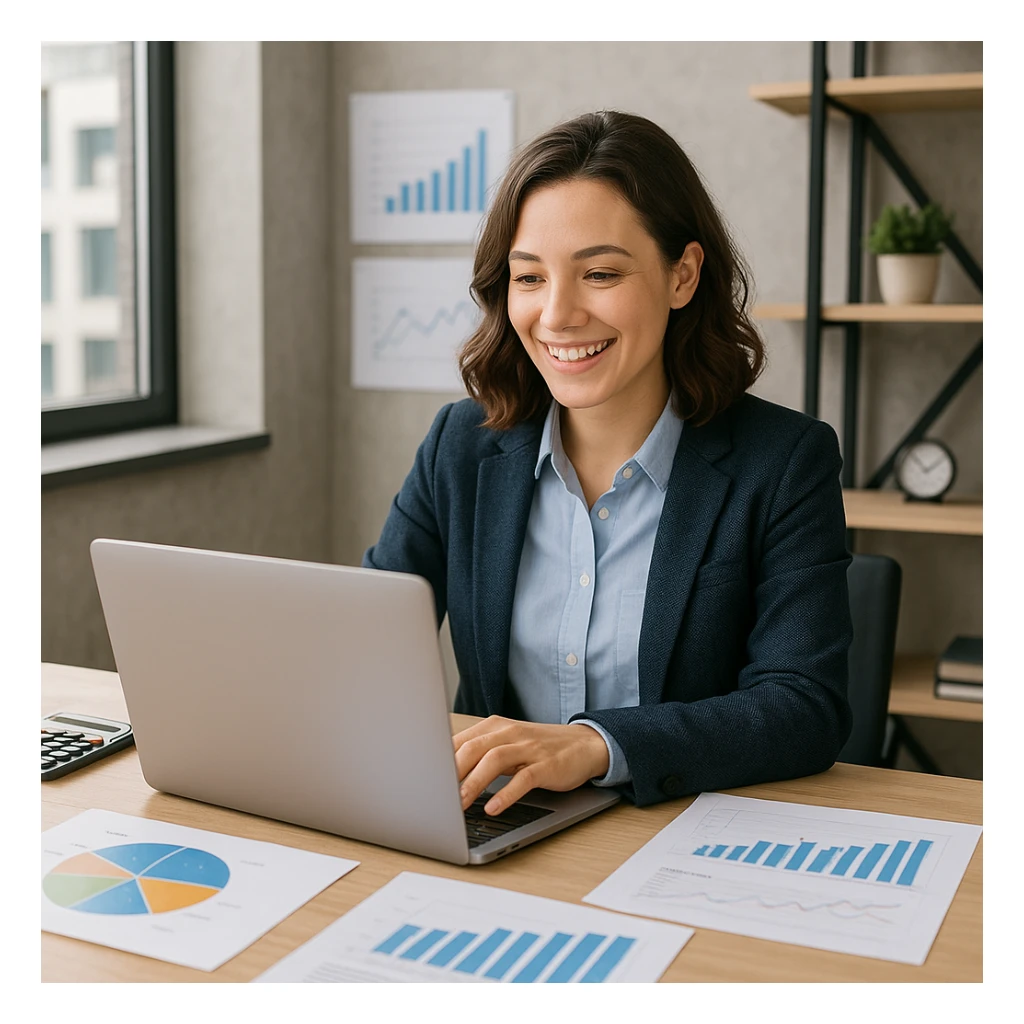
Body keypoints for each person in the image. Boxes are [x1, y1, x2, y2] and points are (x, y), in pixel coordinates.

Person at [364, 110, 852, 818]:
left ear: (682, 275)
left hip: (680, 834)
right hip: (496, 822)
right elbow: (370, 640)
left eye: (598, 273)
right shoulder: (461, 445)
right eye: (529, 278)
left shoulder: (784, 463)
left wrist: (596, 745)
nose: (557, 315)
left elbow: (803, 707)